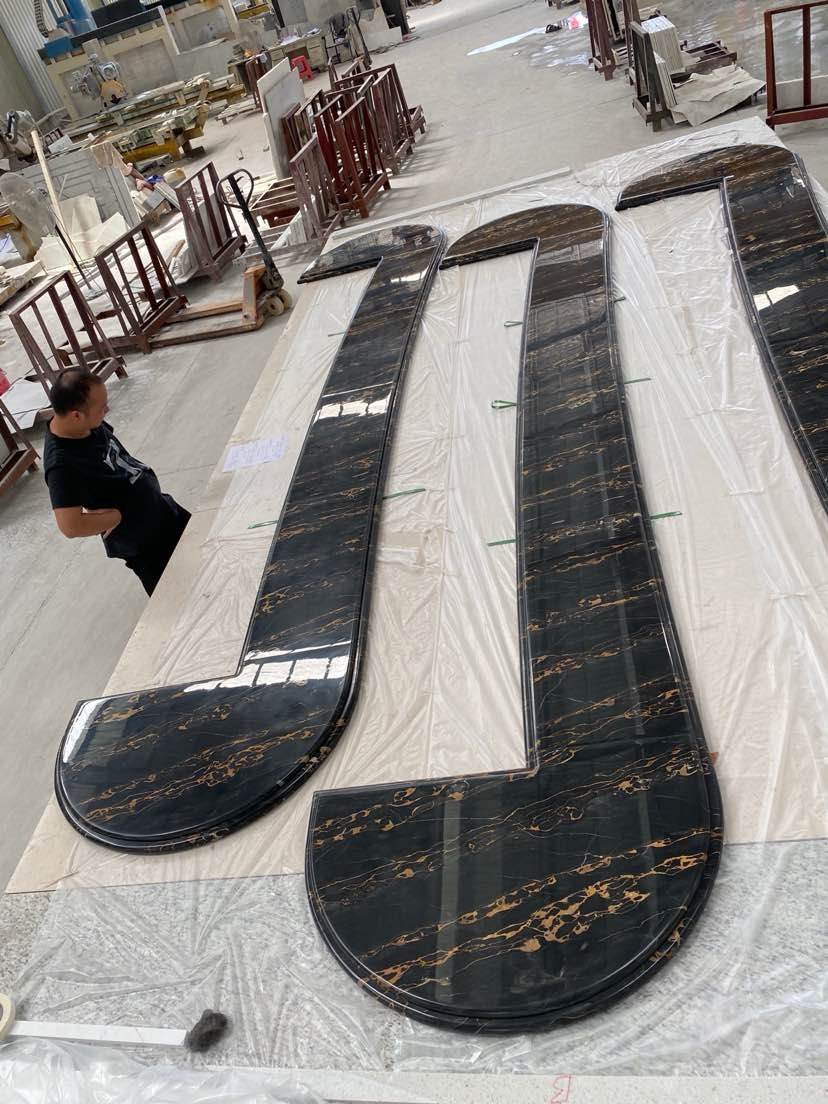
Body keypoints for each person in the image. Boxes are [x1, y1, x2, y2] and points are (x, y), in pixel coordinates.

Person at [43, 368, 190, 596]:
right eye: (102, 408)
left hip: (162, 511)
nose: (107, 410)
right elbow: (70, 526)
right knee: (180, 594)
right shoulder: (61, 465)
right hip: (144, 542)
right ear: (76, 415)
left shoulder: (86, 425)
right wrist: (116, 517)